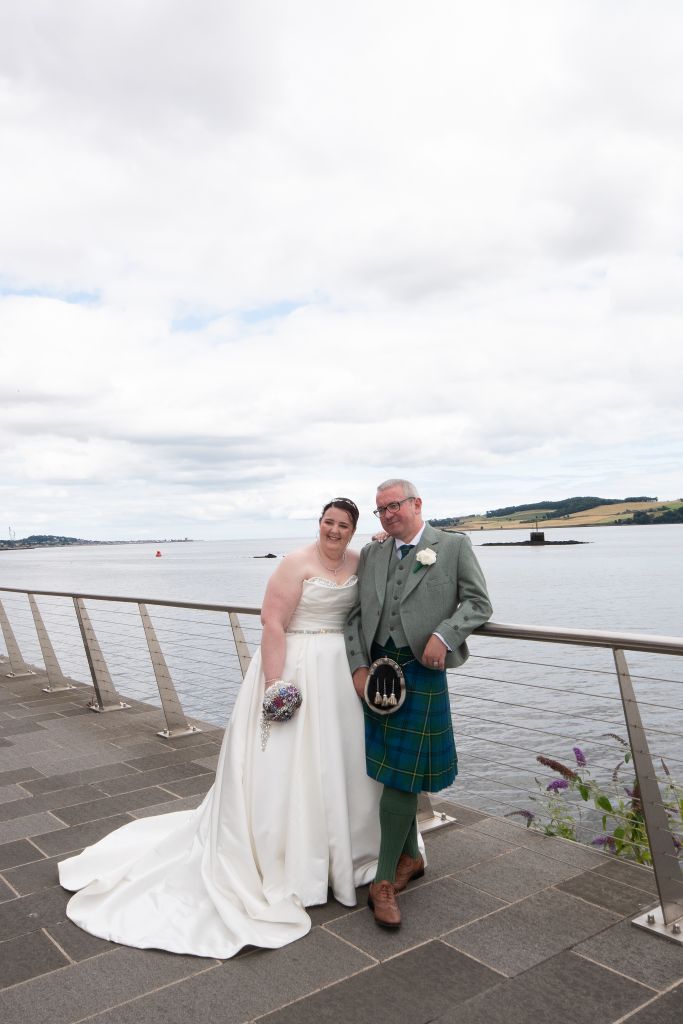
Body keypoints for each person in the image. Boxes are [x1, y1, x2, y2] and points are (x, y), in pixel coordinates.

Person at [59, 497, 382, 958]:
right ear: (319, 523)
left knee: (340, 760)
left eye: (343, 525)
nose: (334, 530)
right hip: (295, 667)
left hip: (340, 673)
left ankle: (347, 854)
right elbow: (272, 624)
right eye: (328, 522)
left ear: (353, 530)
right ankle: (291, 861)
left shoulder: (359, 560)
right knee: (287, 766)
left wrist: (383, 541)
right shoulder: (294, 564)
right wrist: (275, 687)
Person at [345, 479, 492, 929]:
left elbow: (479, 603)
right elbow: (354, 615)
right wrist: (358, 666)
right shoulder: (372, 553)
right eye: (381, 510)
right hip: (377, 674)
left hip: (422, 671)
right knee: (394, 771)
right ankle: (411, 857)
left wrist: (444, 636)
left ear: (417, 504)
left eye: (394, 506)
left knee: (400, 775)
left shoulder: (453, 546)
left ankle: (383, 881)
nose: (388, 514)